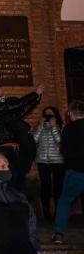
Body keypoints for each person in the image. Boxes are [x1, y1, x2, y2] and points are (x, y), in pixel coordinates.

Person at [0, 83, 43, 193]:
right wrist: (34, 94)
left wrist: (36, 98)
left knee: (18, 180)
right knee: (10, 180)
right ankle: (8, 205)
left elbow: (19, 112)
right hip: (3, 148)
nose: (2, 94)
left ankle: (18, 205)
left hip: (12, 148)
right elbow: (14, 106)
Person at [52, 100, 84, 245]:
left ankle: (59, 234)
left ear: (70, 114)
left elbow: (64, 150)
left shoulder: (68, 129)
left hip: (75, 171)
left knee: (65, 201)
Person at [33, 105, 65, 221]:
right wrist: (40, 126)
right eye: (46, 114)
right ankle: (46, 212)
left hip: (58, 161)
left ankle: (58, 211)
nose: (48, 116)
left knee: (58, 187)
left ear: (56, 115)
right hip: (42, 160)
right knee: (45, 186)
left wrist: (54, 127)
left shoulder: (61, 127)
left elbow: (60, 141)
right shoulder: (39, 127)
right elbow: (33, 141)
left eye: (51, 114)